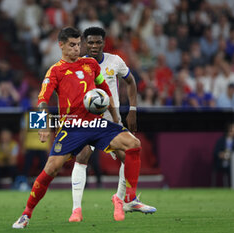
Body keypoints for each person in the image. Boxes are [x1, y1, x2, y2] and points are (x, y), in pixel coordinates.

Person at [12, 27, 142, 228]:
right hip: (71, 127)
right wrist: (43, 126)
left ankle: (129, 198)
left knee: (134, 144)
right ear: (61, 45)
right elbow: (42, 100)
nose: (76, 49)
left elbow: (104, 89)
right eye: (72, 45)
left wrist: (116, 117)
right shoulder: (55, 70)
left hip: (96, 123)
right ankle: (26, 213)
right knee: (51, 169)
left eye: (78, 45)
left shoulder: (90, 64)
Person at [69, 27, 156, 223]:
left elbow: (131, 82)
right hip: (88, 122)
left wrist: (132, 110)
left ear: (103, 42)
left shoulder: (114, 61)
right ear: (84, 43)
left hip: (111, 121)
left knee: (130, 156)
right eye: (90, 42)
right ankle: (76, 210)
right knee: (83, 156)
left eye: (97, 42)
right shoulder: (77, 65)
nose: (93, 46)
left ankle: (123, 199)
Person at [212, 122, 234, 187]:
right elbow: (216, 153)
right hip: (222, 163)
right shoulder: (221, 141)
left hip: (233, 163)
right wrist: (223, 155)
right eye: (232, 129)